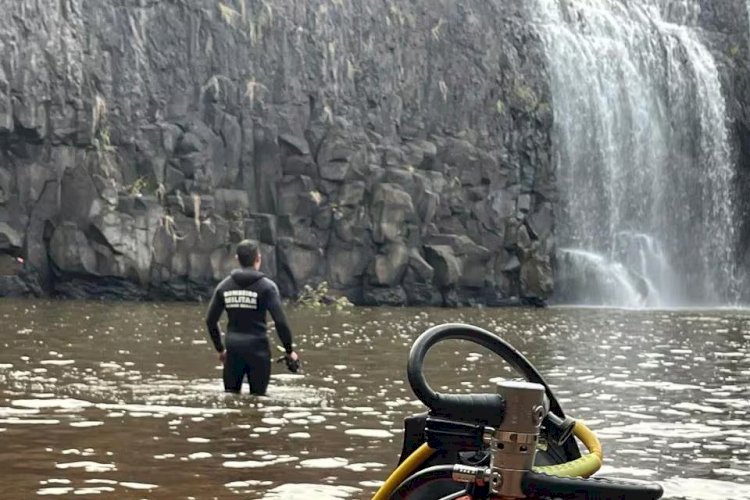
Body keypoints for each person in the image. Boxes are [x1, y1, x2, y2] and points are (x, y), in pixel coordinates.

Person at [205, 240, 299, 395]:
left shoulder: (224, 286)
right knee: (258, 400)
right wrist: (289, 351)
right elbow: (280, 322)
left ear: (237, 258)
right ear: (258, 258)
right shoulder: (267, 287)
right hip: (258, 351)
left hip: (233, 350)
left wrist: (220, 350)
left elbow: (210, 321)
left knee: (230, 398)